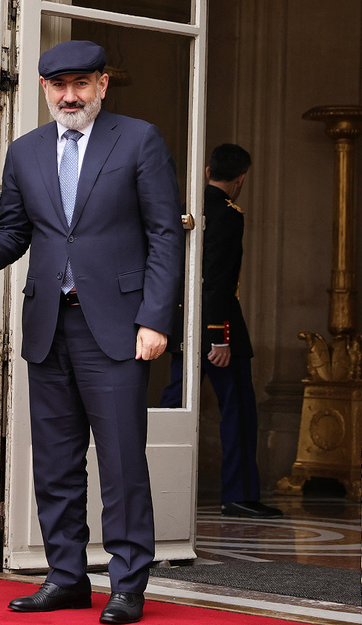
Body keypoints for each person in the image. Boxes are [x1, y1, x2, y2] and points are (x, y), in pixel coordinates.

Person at [0, 40, 184, 625]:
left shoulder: (138, 140)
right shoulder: (25, 151)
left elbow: (164, 234)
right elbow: (13, 233)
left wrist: (155, 318)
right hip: (49, 325)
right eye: (59, 86)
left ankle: (127, 584)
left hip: (119, 329)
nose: (70, 96)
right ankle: (67, 577)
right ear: (44, 89)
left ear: (103, 84)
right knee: (54, 463)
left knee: (123, 463)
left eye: (81, 84)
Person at [159, 144, 282, 519]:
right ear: (241, 178)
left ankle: (154, 483)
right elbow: (216, 280)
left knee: (171, 408)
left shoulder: (187, 210)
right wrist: (219, 337)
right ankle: (239, 493)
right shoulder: (227, 214)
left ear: (208, 170)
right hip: (217, 331)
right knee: (239, 411)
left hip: (184, 327)